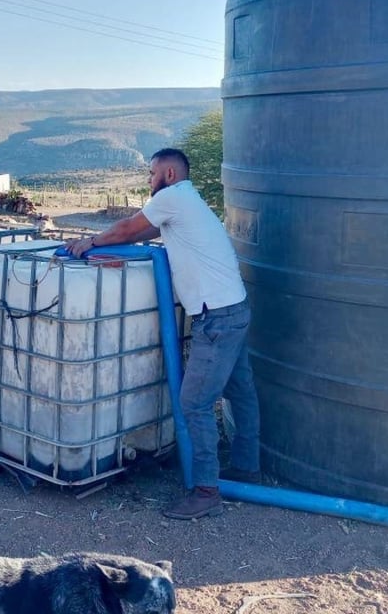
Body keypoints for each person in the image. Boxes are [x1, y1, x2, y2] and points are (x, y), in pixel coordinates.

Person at [66, 147, 259, 520]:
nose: (149, 180)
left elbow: (128, 228)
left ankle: (206, 492)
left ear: (168, 175)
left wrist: (89, 242)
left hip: (216, 317)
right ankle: (248, 469)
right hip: (234, 308)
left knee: (195, 403)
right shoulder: (188, 201)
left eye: (151, 174)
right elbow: (145, 231)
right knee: (241, 392)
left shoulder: (171, 197)